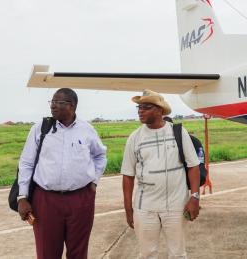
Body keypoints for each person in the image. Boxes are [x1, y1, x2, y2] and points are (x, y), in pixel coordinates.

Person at [17, 88, 107, 259]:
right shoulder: (40, 129)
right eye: (51, 102)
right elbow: (26, 163)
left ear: (71, 106)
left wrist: (94, 182)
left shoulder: (86, 129)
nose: (52, 106)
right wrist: (22, 197)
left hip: (81, 200)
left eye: (58, 102)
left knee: (78, 252)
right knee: (47, 252)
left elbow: (100, 155)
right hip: (46, 200)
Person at [121, 89, 200, 259]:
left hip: (176, 205)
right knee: (147, 253)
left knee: (178, 253)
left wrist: (195, 197)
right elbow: (128, 175)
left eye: (146, 107)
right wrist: (128, 208)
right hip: (145, 207)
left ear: (160, 110)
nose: (140, 111)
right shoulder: (134, 138)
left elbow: (193, 166)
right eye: (139, 107)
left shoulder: (178, 132)